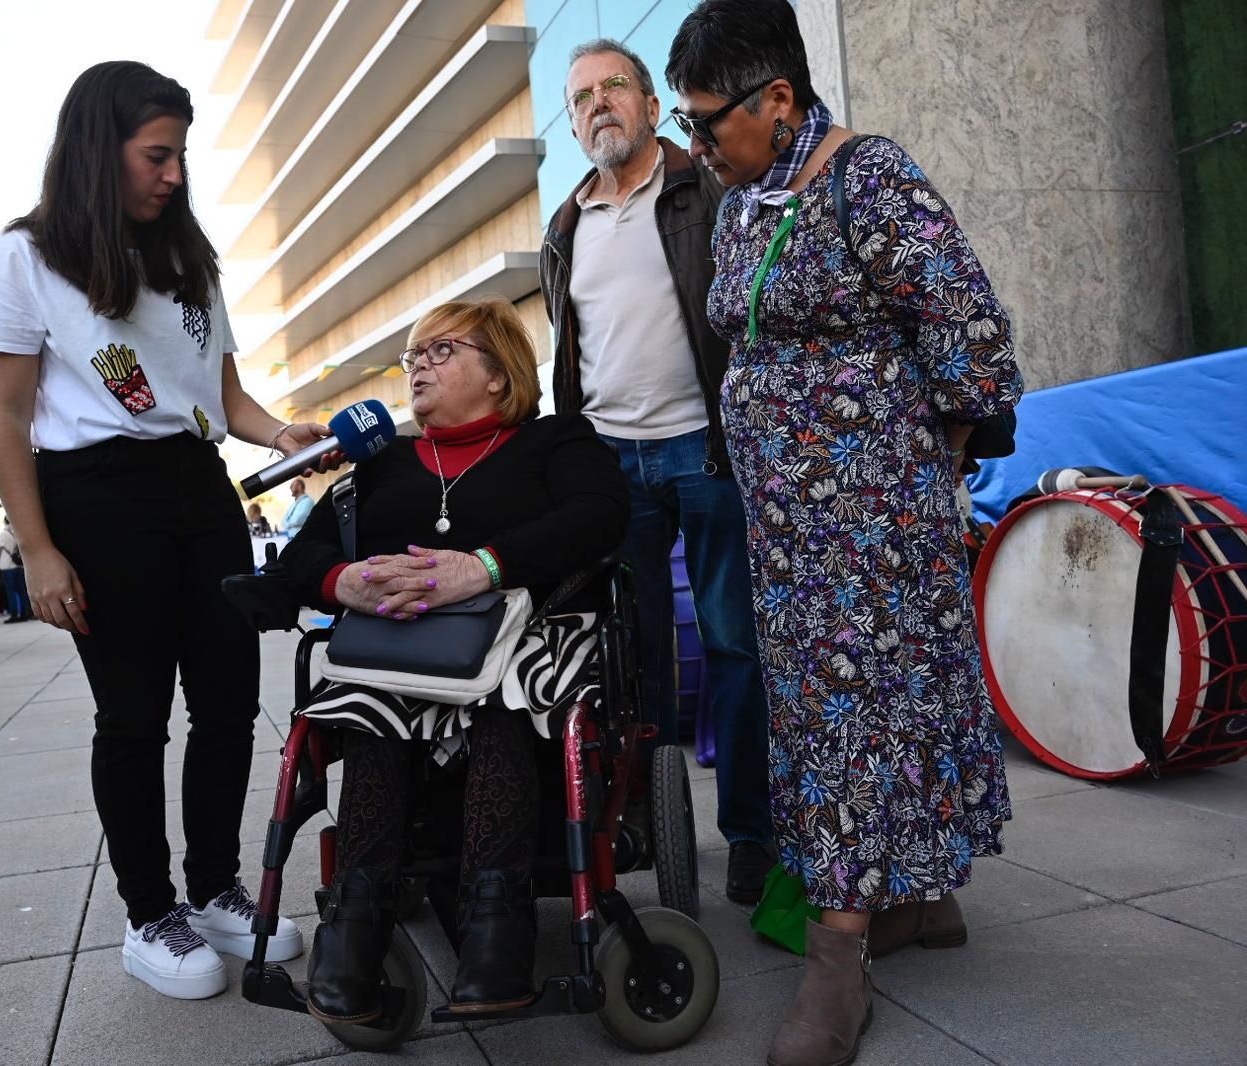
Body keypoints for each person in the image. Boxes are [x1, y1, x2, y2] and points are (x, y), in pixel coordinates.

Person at [666, 4, 1023, 1062]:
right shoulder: (744, 205)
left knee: (853, 717)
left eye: (705, 122)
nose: (695, 147)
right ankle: (919, 895)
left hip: (875, 520)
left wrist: (908, 471)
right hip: (782, 525)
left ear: (778, 99)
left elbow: (968, 335)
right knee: (841, 708)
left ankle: (838, 953)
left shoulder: (868, 175)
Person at [0, 60, 323, 1001]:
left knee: (227, 697)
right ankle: (147, 913)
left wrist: (280, 431)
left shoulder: (185, 255)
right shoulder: (26, 257)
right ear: (101, 149)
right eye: (156, 155)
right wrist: (39, 547)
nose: (174, 174)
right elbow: (6, 417)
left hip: (199, 485)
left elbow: (222, 394)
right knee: (133, 715)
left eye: (179, 155)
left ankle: (213, 887)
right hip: (93, 494)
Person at [279, 296, 630, 1022]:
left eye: (442, 351)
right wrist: (342, 581)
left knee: (505, 693)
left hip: (523, 640)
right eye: (414, 356)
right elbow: (301, 555)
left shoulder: (556, 442)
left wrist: (487, 566)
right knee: (365, 703)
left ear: (500, 373)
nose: (419, 367)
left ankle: (496, 941)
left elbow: (600, 515)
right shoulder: (383, 465)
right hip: (401, 655)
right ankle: (351, 936)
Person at [540, 36, 775, 904]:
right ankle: (643, 819)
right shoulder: (564, 227)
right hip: (611, 465)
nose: (599, 103)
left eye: (614, 88)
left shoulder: (704, 187)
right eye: (581, 98)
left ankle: (751, 833)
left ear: (647, 103)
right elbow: (572, 352)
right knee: (630, 659)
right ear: (573, 124)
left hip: (705, 450)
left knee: (734, 648)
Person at [0, 515, 31, 622]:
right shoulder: (18, 532)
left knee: (11, 592)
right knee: (22, 591)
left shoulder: (3, 534)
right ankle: (27, 613)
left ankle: (14, 614)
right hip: (19, 565)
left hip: (7, 566)